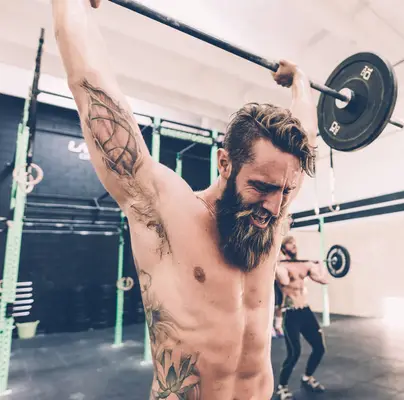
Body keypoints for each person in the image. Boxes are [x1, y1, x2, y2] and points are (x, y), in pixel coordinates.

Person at [51, 0, 318, 398]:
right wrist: (72, 7)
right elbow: (91, 86)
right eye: (261, 187)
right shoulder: (166, 209)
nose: (276, 206)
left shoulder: (270, 209)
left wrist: (303, 84)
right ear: (224, 163)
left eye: (284, 191)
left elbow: (307, 139)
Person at [275, 236, 329, 399]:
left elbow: (323, 280)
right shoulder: (279, 267)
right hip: (290, 313)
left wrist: (321, 265)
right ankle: (282, 387)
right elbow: (284, 280)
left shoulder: (304, 265)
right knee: (294, 353)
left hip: (305, 312)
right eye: (290, 244)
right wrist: (277, 264)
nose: (294, 246)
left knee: (319, 348)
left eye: (295, 243)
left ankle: (307, 377)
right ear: (284, 249)